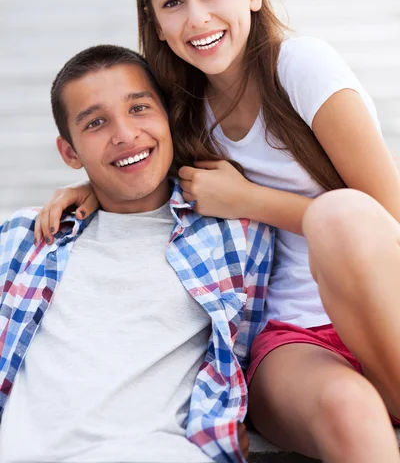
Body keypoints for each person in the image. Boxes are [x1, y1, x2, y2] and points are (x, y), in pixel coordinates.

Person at [35, 0, 400, 462]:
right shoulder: (184, 113)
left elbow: (386, 219)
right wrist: (91, 187)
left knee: (341, 216)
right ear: (156, 24)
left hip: (381, 306)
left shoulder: (302, 68)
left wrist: (251, 202)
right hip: (289, 338)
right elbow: (133, 156)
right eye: (173, 3)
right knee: (350, 413)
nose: (197, 17)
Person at [0, 45, 274, 463]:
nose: (125, 134)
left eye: (140, 108)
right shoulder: (24, 237)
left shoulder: (235, 234)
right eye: (95, 122)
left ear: (168, 115)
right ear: (69, 152)